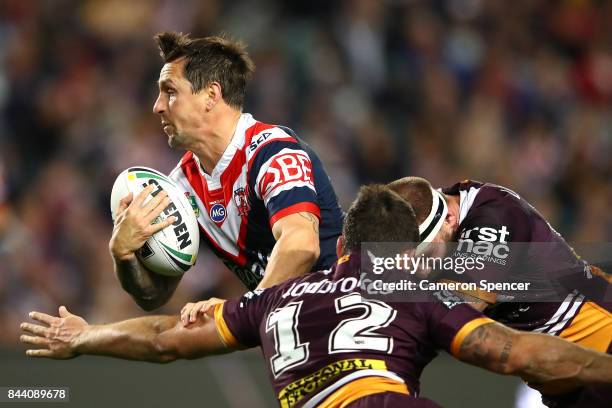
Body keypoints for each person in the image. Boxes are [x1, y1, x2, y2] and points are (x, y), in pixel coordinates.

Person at [21, 185, 612, 407]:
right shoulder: (412, 290)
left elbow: (165, 337)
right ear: (400, 254)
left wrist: (86, 336)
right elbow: (511, 353)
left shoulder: (275, 299)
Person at [109, 32, 343, 311]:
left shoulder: (274, 152)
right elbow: (154, 295)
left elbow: (302, 246)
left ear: (211, 95)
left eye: (170, 92)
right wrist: (123, 254)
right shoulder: (181, 187)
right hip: (296, 331)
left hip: (356, 308)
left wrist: (242, 312)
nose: (157, 106)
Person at [388, 177, 612, 407]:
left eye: (425, 255)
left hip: (601, 347)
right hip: (568, 379)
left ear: (449, 219)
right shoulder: (434, 208)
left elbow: (455, 308)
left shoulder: (493, 221)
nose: (421, 271)